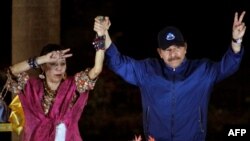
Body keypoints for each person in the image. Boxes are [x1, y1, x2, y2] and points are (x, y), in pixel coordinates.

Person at [93, 11, 246, 141]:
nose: (173, 53)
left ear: (185, 48)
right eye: (167, 49)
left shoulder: (202, 70)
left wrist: (236, 41)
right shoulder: (147, 70)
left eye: (177, 47)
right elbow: (118, 62)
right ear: (160, 53)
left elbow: (228, 66)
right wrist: (104, 34)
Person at [4, 36, 105, 140]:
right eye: (53, 64)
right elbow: (13, 71)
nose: (59, 68)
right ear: (43, 66)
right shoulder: (31, 86)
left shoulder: (75, 84)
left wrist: (101, 36)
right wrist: (42, 59)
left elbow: (96, 70)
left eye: (62, 63)